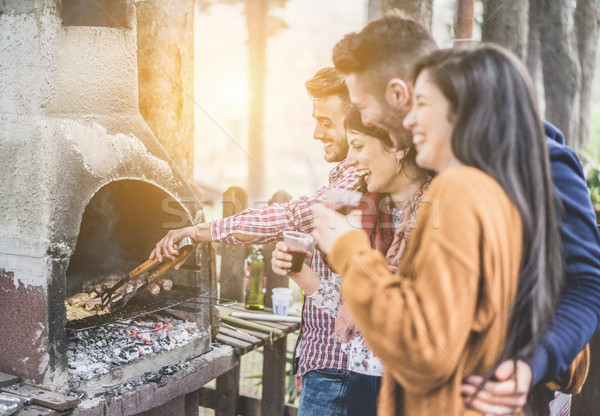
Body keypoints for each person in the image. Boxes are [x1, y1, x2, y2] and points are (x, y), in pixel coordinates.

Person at [331, 14, 600, 415]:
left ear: (400, 94)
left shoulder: (539, 160)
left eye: (362, 106)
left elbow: (584, 285)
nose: (364, 120)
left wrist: (529, 367)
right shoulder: (428, 160)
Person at [150, 67, 358, 416]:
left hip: (339, 371)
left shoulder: (354, 185)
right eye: (315, 120)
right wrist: (308, 362)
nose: (316, 132)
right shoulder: (345, 176)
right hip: (329, 366)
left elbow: (281, 217)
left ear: (357, 123)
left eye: (326, 122)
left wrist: (197, 232)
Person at [271, 107, 430, 415]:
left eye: (358, 146)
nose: (351, 160)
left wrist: (349, 250)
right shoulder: (375, 213)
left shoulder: (435, 217)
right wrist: (299, 271)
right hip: (364, 379)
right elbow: (357, 311)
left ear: (398, 147)